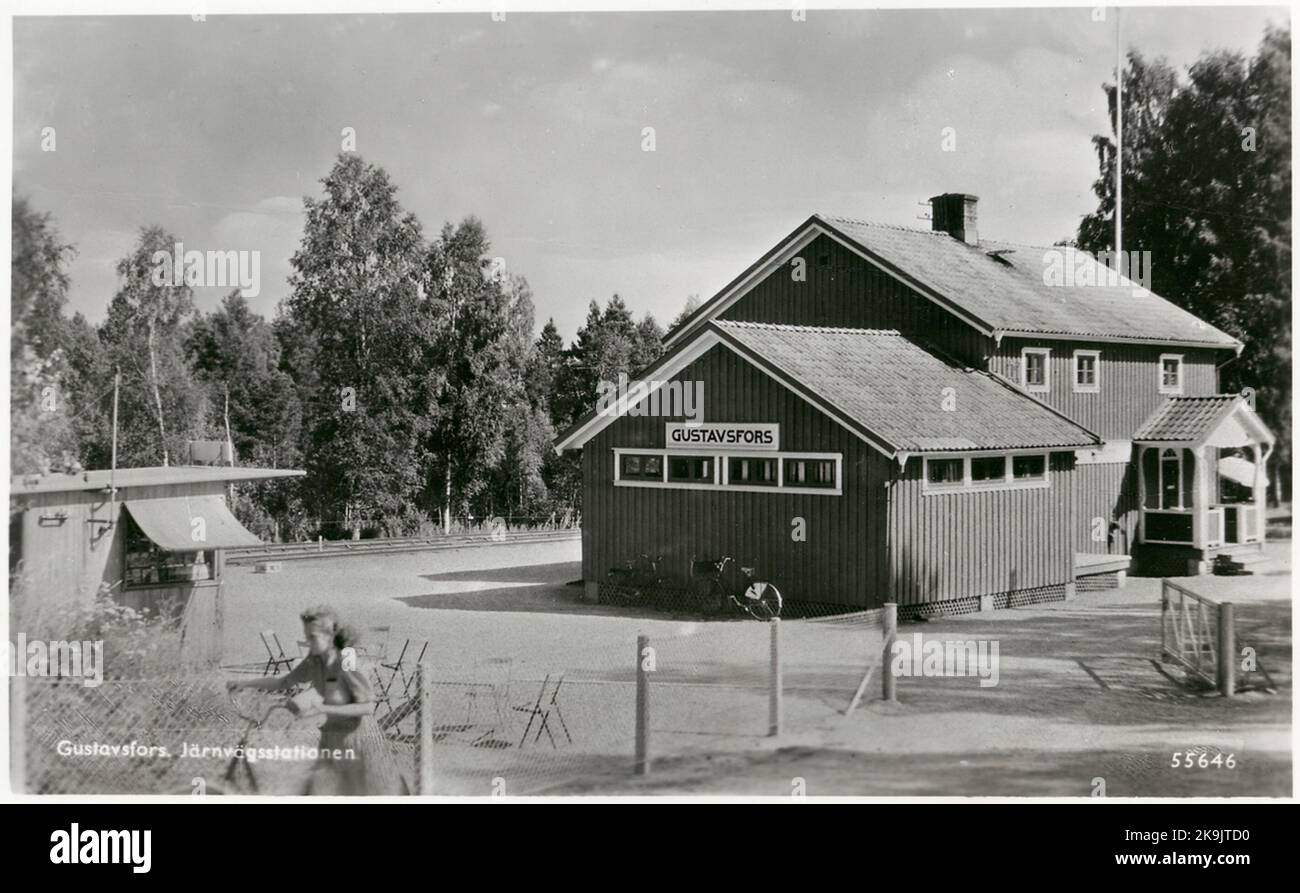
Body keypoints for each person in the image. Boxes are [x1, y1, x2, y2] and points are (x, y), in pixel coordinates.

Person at [227, 605, 407, 795]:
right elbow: (284, 682)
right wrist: (245, 683)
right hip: (330, 738)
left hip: (358, 740)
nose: (308, 642)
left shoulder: (345, 664)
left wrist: (325, 709)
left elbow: (368, 708)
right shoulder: (313, 662)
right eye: (306, 637)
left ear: (329, 636)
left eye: (313, 637)